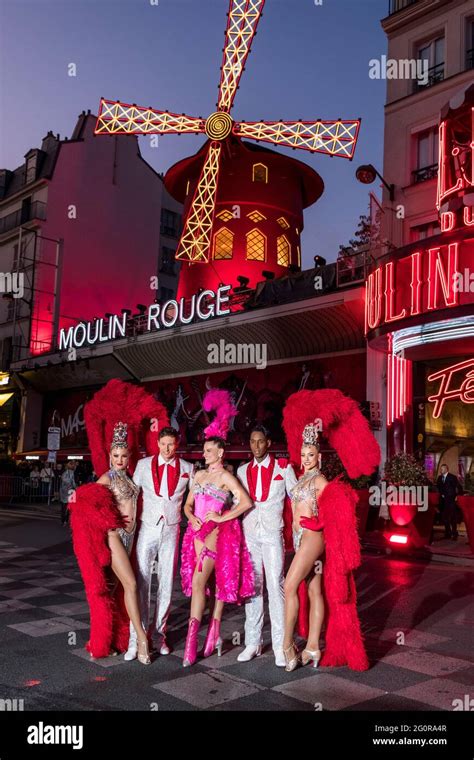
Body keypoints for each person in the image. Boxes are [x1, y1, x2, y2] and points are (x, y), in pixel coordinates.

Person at [69, 378, 169, 661]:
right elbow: (83, 502)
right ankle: (141, 640)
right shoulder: (106, 478)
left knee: (114, 590)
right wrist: (105, 523)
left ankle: (111, 639)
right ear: (109, 456)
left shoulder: (132, 475)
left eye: (124, 455)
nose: (120, 459)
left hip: (131, 538)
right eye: (116, 455)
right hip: (115, 538)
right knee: (132, 585)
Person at [281, 388, 380, 672]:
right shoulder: (301, 481)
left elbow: (339, 509)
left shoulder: (320, 481)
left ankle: (287, 645)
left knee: (289, 586)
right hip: (302, 539)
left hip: (313, 539)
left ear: (319, 457)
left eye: (311, 454)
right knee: (313, 591)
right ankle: (312, 646)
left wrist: (320, 523)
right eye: (304, 454)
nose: (307, 458)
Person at [180, 389, 254, 667]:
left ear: (221, 452)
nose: (205, 453)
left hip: (214, 535)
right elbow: (187, 505)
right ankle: (212, 632)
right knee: (208, 584)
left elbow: (246, 502)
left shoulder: (226, 476)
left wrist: (222, 518)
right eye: (204, 450)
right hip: (194, 534)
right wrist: (190, 516)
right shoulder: (198, 475)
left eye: (209, 450)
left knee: (202, 582)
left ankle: (191, 643)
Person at [124, 426, 194, 661]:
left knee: (166, 584)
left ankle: (159, 636)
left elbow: (196, 498)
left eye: (171, 444)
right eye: (163, 443)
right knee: (142, 581)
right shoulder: (143, 465)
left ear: (177, 444)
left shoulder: (188, 468)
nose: (166, 448)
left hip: (172, 530)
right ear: (157, 442)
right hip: (148, 528)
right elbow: (130, 495)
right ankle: (136, 638)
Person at [236, 424, 297, 667]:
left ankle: (282, 646)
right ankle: (253, 641)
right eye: (253, 441)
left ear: (268, 443)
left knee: (276, 586)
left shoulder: (284, 467)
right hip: (250, 533)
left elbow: (296, 498)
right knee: (254, 587)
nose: (257, 446)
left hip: (273, 534)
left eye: (261, 441)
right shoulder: (241, 471)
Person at [437, 464, 463, 540]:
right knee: (444, 518)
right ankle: (447, 533)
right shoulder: (439, 478)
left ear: (446, 469)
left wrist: (457, 496)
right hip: (443, 501)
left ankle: (454, 534)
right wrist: (441, 494)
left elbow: (459, 487)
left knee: (453, 518)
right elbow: (438, 487)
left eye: (442, 469)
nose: (441, 470)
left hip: (451, 500)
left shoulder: (452, 477)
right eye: (440, 469)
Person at [59, 462, 76, 526]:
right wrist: (74, 486)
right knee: (67, 507)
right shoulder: (67, 473)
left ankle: (65, 520)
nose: (75, 467)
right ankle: (64, 520)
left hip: (69, 491)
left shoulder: (67, 473)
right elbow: (66, 481)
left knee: (68, 507)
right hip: (68, 491)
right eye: (74, 466)